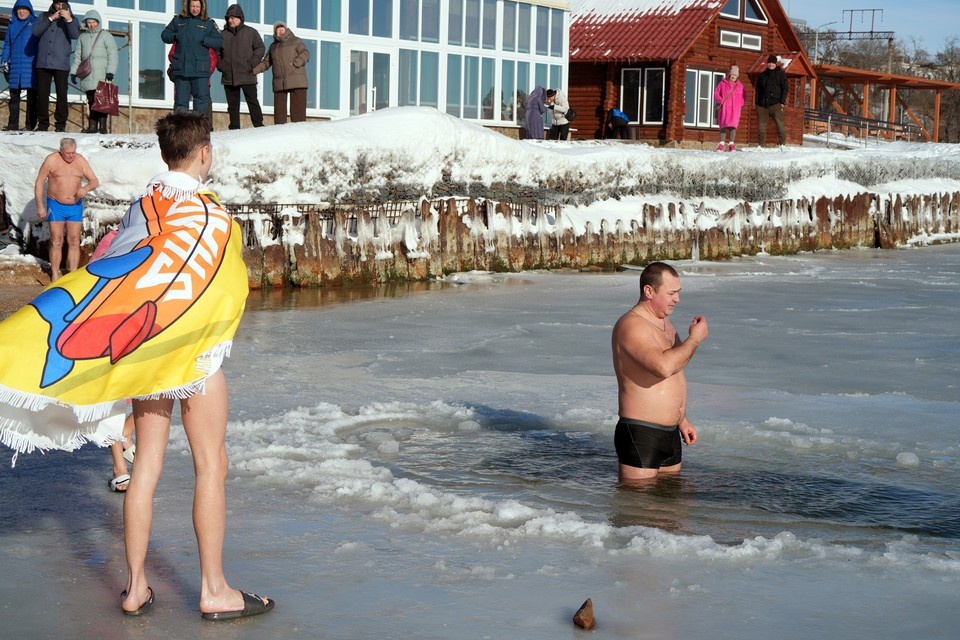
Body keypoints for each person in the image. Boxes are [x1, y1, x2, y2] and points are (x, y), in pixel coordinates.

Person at [0, 111, 274, 619]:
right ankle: (214, 590)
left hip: (149, 354)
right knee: (211, 464)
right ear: (205, 153)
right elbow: (225, 281)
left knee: (144, 468)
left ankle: (135, 588)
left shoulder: (143, 206)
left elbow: (115, 270)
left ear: (165, 153)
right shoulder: (213, 217)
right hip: (194, 354)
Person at [611, 261, 708, 482]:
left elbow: (677, 366)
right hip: (642, 432)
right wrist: (695, 339)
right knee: (639, 501)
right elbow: (663, 367)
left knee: (671, 500)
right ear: (649, 291)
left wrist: (682, 419)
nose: (677, 299)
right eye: (671, 293)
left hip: (671, 433)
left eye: (678, 292)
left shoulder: (665, 324)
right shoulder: (632, 325)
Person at [34, 137, 99, 281]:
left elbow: (94, 180)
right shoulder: (51, 160)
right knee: (56, 240)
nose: (71, 156)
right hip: (56, 205)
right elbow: (39, 182)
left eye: (73, 152)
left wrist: (85, 188)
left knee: (74, 240)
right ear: (61, 151)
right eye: (68, 153)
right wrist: (40, 206)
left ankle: (72, 275)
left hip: (75, 206)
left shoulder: (80, 160)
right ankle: (55, 274)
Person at [162, 0, 223, 116]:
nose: (195, 9)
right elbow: (164, 35)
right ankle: (180, 128)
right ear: (188, 6)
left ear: (202, 7)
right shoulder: (178, 20)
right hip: (182, 69)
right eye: (193, 6)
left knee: (200, 104)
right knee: (180, 103)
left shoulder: (208, 23)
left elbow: (219, 41)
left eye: (197, 6)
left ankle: (198, 128)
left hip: (200, 70)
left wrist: (204, 39)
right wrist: (176, 36)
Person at [32, 1, 79, 132]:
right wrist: (51, 19)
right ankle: (43, 124)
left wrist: (68, 19)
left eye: (62, 4)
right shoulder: (44, 16)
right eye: (57, 4)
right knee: (42, 94)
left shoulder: (73, 19)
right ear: (53, 5)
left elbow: (75, 35)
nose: (60, 7)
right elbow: (35, 32)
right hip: (43, 62)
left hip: (61, 63)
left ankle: (60, 124)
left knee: (61, 94)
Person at [70, 9, 118, 134]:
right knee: (91, 99)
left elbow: (113, 54)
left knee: (102, 100)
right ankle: (92, 126)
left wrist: (110, 71)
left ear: (98, 22)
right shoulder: (82, 37)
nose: (91, 25)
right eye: (89, 22)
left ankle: (102, 127)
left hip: (102, 73)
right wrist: (74, 72)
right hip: (88, 74)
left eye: (94, 22)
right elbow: (77, 56)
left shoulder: (106, 35)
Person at [218, 4, 264, 130]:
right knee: (232, 105)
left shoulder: (251, 32)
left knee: (252, 102)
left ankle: (259, 127)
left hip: (247, 74)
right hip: (229, 76)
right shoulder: (222, 34)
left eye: (232, 18)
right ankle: (234, 128)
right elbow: (216, 52)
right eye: (228, 18)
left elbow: (260, 48)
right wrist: (221, 66)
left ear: (240, 18)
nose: (230, 20)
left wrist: (252, 63)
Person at [254, 21, 309, 124]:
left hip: (297, 79)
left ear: (286, 30)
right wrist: (253, 71)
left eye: (282, 29)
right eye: (278, 30)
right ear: (275, 32)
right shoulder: (273, 46)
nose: (280, 31)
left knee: (298, 114)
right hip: (279, 82)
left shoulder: (296, 40)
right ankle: (279, 131)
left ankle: (299, 131)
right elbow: (266, 62)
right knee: (279, 114)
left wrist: (297, 63)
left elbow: (305, 53)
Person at [2, 0, 39, 132]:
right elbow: (7, 44)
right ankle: (13, 125)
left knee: (32, 97)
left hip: (31, 65)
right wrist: (4, 59)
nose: (21, 11)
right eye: (19, 9)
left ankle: (30, 125)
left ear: (30, 10)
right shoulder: (12, 24)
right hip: (16, 65)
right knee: (14, 97)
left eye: (24, 9)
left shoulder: (36, 23)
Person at [755, 54, 788, 148]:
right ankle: (761, 146)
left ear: (775, 64)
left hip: (776, 104)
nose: (771, 64)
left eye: (773, 63)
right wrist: (757, 102)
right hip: (762, 105)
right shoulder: (762, 75)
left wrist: (782, 101)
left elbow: (785, 88)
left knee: (780, 126)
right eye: (769, 63)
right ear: (767, 64)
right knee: (761, 128)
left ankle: (782, 145)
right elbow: (758, 89)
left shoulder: (781, 74)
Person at [714, 65, 746, 151]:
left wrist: (740, 104)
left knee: (733, 126)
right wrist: (720, 100)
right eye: (732, 75)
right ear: (729, 75)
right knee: (723, 126)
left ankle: (731, 144)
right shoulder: (722, 83)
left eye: (735, 75)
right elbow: (716, 93)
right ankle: (721, 144)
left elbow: (744, 97)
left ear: (737, 76)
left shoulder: (740, 86)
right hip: (725, 109)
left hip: (735, 110)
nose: (733, 77)